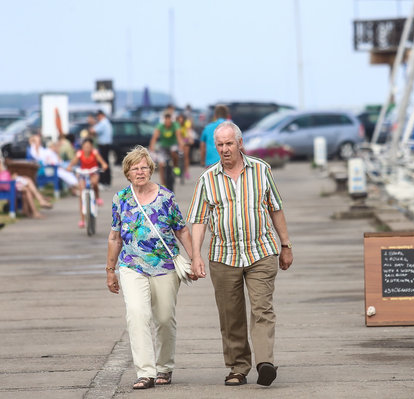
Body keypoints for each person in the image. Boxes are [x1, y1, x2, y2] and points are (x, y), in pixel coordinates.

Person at [187, 121, 293, 387]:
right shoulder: (207, 179)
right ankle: (238, 367)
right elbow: (198, 220)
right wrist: (196, 256)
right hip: (224, 256)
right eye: (220, 145)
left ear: (240, 143)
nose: (225, 149)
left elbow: (275, 208)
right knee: (230, 315)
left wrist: (286, 245)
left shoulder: (261, 170)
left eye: (229, 144)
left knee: (262, 308)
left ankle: (264, 362)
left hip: (261, 251)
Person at [105, 145, 195, 390]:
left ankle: (164, 366)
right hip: (132, 265)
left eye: (144, 167)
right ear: (127, 173)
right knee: (137, 314)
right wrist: (110, 270)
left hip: (164, 265)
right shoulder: (121, 199)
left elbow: (182, 230)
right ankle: (145, 372)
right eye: (135, 168)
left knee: (165, 318)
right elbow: (115, 237)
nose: (140, 172)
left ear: (151, 169)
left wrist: (195, 258)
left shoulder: (166, 197)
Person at [67, 138, 109, 228]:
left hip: (93, 172)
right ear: (82, 147)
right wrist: (70, 167)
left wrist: (104, 165)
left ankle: (97, 197)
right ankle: (82, 220)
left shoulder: (95, 153)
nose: (87, 149)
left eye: (88, 147)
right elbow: (72, 163)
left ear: (91, 147)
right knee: (82, 193)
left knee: (94, 182)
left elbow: (103, 163)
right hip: (83, 173)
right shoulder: (79, 154)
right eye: (85, 147)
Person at [150, 112, 183, 187]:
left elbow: (179, 137)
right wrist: (152, 147)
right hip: (163, 147)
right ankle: (163, 183)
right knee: (161, 164)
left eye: (169, 121)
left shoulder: (175, 125)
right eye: (166, 121)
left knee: (174, 152)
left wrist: (181, 145)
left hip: (172, 145)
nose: (168, 123)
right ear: (164, 120)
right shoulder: (160, 126)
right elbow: (154, 138)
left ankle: (176, 166)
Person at [88, 110, 113, 186]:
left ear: (101, 115)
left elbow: (92, 130)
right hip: (106, 145)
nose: (97, 118)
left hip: (103, 145)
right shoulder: (107, 122)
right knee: (106, 162)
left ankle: (103, 181)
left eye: (97, 116)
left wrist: (92, 123)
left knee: (102, 163)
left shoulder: (103, 123)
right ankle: (107, 181)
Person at [175, 113, 193, 179]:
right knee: (175, 154)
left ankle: (186, 171)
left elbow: (189, 132)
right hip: (178, 139)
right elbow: (177, 134)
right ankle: (176, 168)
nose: (180, 121)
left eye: (181, 119)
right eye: (179, 119)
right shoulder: (176, 124)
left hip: (185, 138)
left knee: (186, 155)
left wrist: (190, 139)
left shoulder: (187, 123)